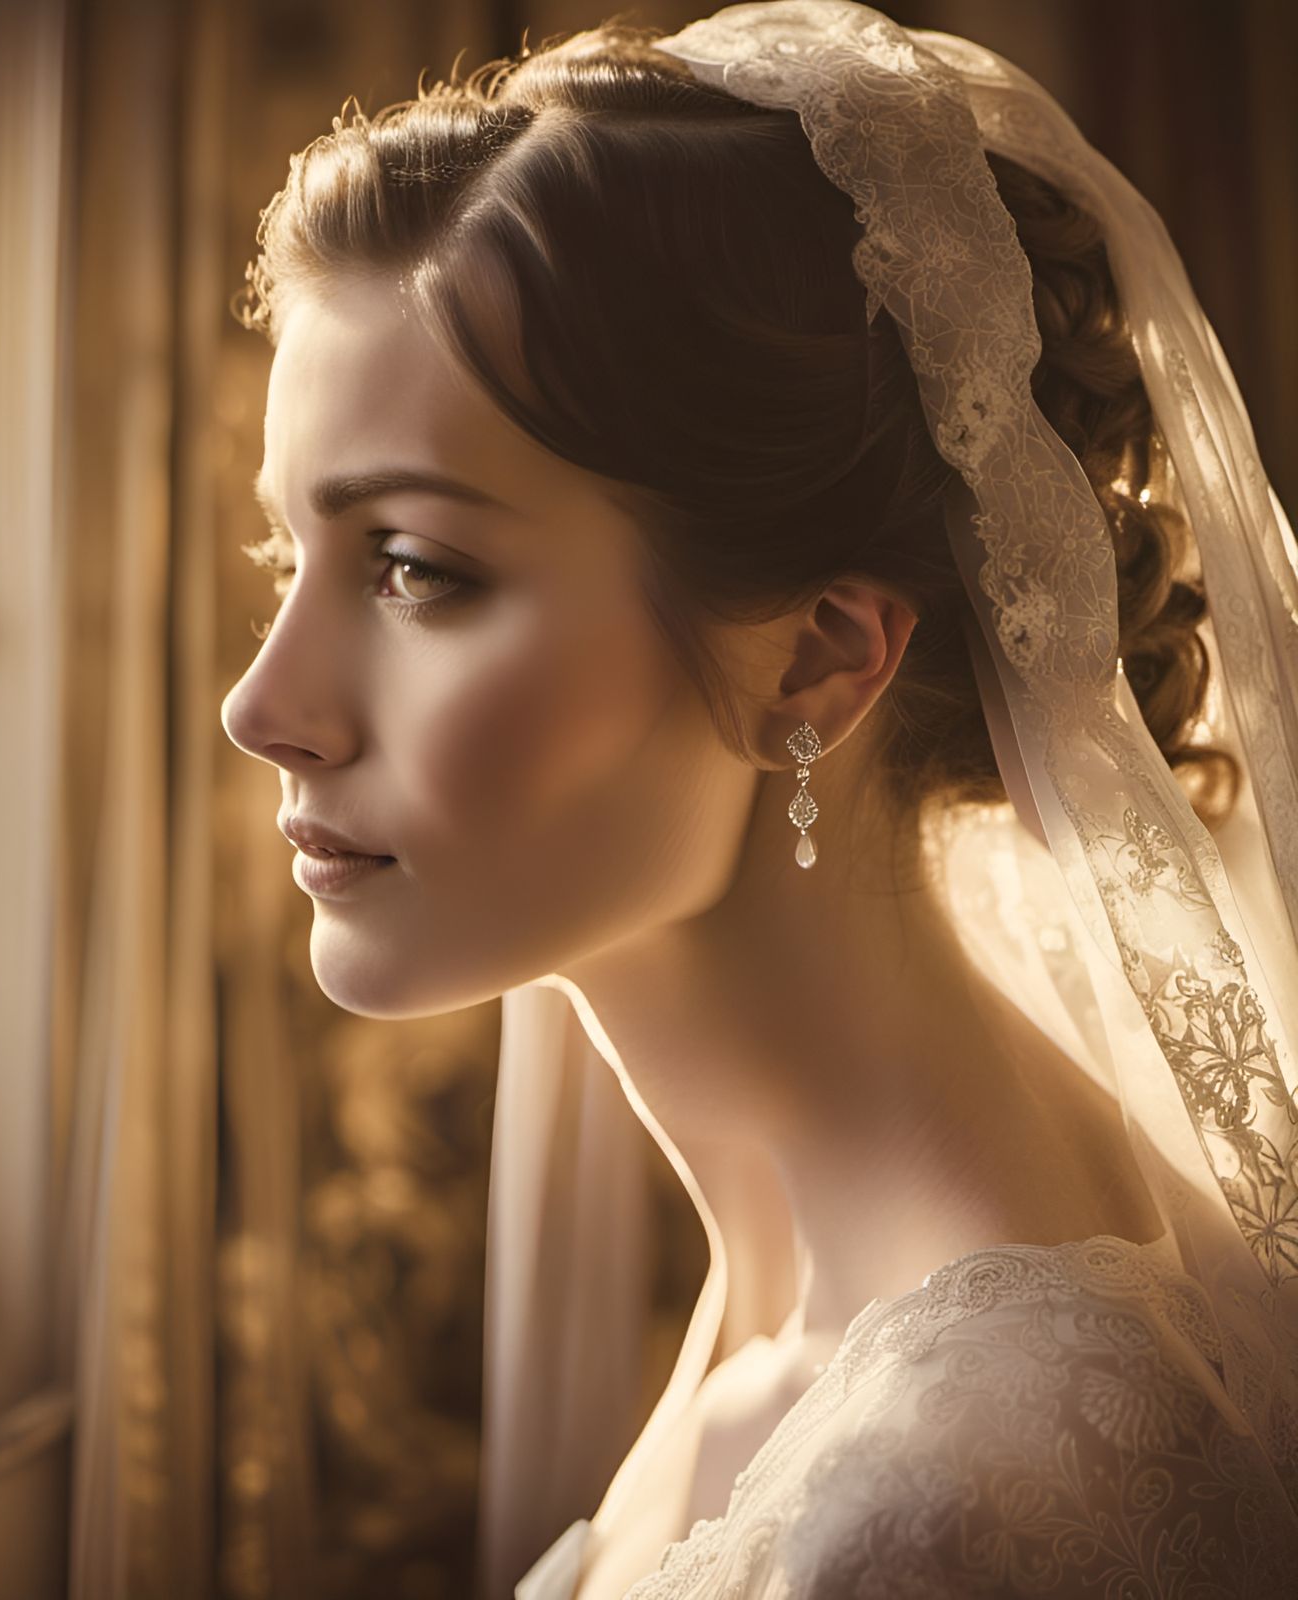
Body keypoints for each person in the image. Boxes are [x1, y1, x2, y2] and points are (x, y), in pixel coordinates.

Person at [220, 2, 1298, 1594]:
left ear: (817, 661)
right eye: (285, 556)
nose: (265, 710)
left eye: (414, 569)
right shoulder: (804, 1290)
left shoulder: (961, 1508)